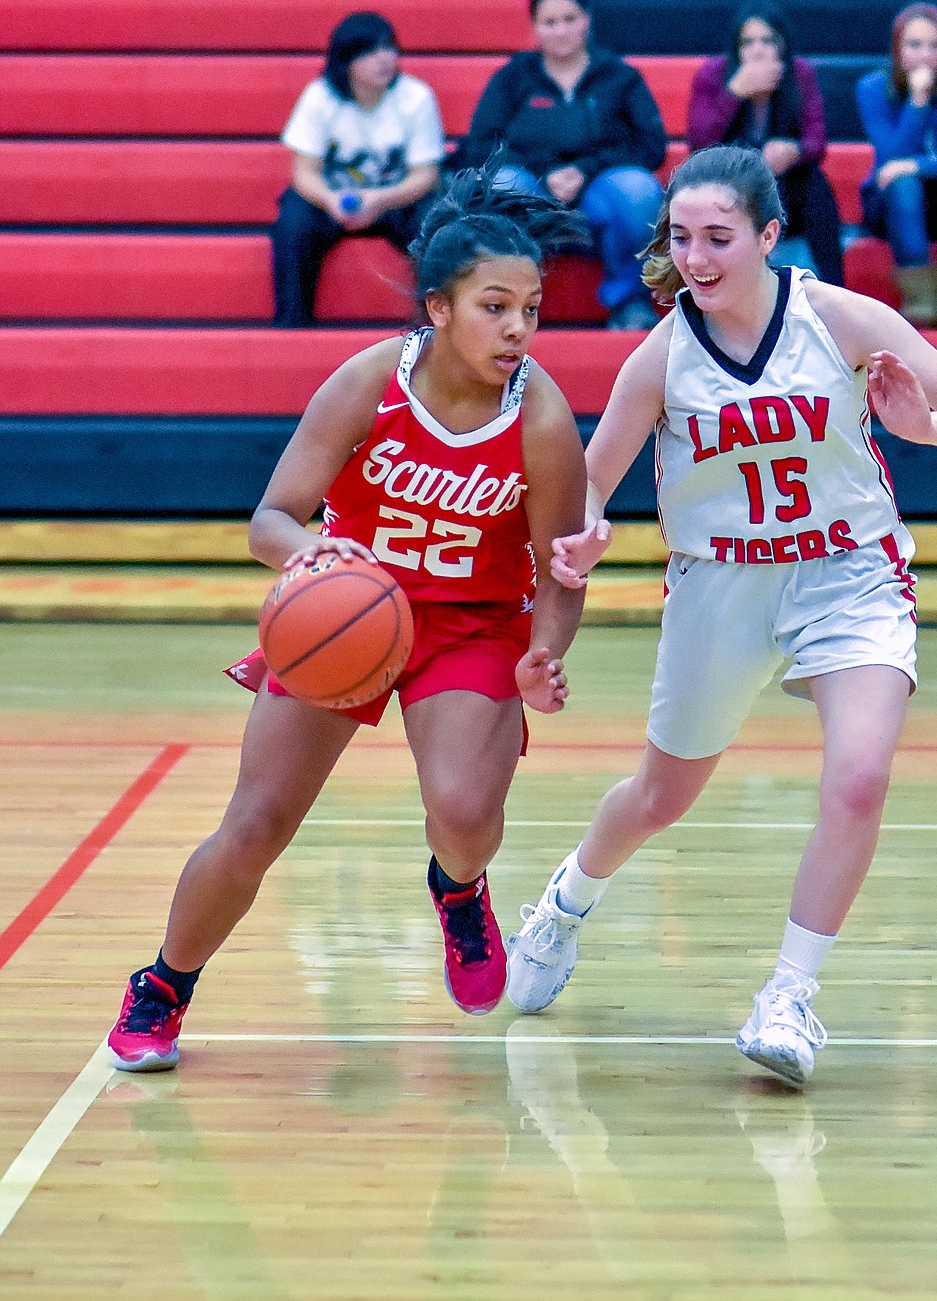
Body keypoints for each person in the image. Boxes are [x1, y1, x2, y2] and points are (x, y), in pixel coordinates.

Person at [505, 145, 937, 1090]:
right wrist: (583, 542)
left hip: (849, 572)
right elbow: (587, 488)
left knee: (858, 778)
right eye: (681, 237)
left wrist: (930, 429)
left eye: (718, 239)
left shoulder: (842, 317)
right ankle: (566, 903)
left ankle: (789, 994)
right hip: (720, 583)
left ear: (770, 237)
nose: (694, 258)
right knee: (661, 797)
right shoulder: (660, 355)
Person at [108, 167, 591, 1071]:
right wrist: (316, 557)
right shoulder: (369, 382)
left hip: (473, 625)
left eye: (531, 306)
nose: (519, 327)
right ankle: (163, 984)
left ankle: (460, 889)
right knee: (255, 824)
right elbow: (270, 520)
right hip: (348, 612)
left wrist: (543, 653)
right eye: (496, 306)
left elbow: (562, 570)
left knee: (463, 807)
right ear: (440, 309)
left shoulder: (542, 416)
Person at [459, 0, 667, 332]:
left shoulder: (620, 76)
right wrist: (545, 171)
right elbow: (481, 146)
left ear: (587, 20)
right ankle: (506, 305)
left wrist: (584, 170)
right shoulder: (512, 78)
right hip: (532, 190)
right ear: (534, 27)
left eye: (570, 19)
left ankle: (630, 303)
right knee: (501, 183)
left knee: (639, 190)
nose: (561, 30)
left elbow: (650, 145)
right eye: (549, 22)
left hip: (600, 190)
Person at [271, 11, 444, 326]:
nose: (385, 59)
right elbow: (303, 173)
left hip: (396, 200)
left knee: (435, 217)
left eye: (390, 48)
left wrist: (379, 200)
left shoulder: (415, 97)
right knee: (293, 220)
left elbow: (426, 175)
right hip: (334, 198)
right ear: (346, 60)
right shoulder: (320, 97)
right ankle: (292, 324)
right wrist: (330, 200)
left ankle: (433, 327)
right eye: (371, 51)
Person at [687, 0, 844, 286]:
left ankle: (835, 289)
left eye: (768, 40)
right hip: (728, 185)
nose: (758, 50)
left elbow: (816, 141)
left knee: (814, 182)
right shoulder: (713, 75)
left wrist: (794, 151)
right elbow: (699, 146)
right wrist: (733, 93)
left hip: (789, 188)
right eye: (748, 42)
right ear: (736, 48)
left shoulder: (800, 74)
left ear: (782, 46)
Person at [856, 4, 937, 328]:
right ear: (897, 49)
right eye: (915, 45)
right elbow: (890, 159)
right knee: (904, 186)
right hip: (892, 208)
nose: (926, 54)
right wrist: (918, 102)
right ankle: (918, 299)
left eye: (935, 46)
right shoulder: (872, 88)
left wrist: (916, 166)